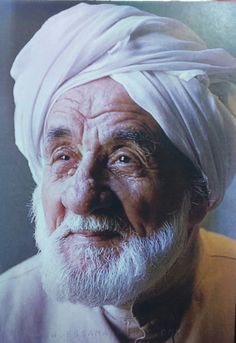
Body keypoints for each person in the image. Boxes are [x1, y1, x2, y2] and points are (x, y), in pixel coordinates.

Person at [0, 3, 236, 343]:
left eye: (125, 159)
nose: (81, 198)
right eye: (64, 156)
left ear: (199, 195)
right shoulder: (9, 316)